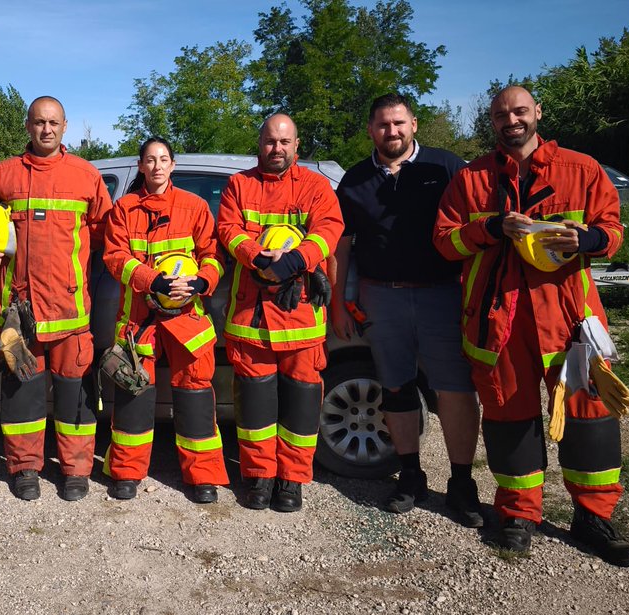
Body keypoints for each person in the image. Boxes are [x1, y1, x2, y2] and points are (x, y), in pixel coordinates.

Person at [434, 86, 629, 566]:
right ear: (492, 121)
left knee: (590, 417)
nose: (512, 120)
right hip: (498, 320)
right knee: (509, 416)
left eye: (520, 111)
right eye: (502, 114)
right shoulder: (471, 179)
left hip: (569, 318)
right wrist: (488, 229)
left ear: (537, 113)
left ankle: (594, 518)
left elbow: (613, 232)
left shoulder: (581, 168)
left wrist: (585, 237)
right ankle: (518, 515)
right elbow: (444, 241)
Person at [332, 94, 483, 527]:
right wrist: (340, 301)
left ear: (414, 124)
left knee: (455, 388)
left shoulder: (446, 167)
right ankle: (411, 475)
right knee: (395, 388)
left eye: (399, 123)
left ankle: (461, 483)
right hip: (383, 296)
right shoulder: (356, 180)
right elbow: (342, 246)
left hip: (443, 294)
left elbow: (475, 230)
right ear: (370, 130)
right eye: (382, 125)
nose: (391, 132)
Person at [0, 96, 112, 502]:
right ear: (28, 126)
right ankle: (24, 469)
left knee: (75, 396)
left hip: (71, 311)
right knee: (20, 392)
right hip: (18, 310)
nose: (46, 129)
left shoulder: (85, 175)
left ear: (65, 127)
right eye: (39, 122)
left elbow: (105, 234)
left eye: (53, 122)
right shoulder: (3, 174)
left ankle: (75, 470)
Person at [217, 113, 344, 513]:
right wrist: (259, 258)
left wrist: (295, 262)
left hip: (302, 318)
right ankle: (259, 477)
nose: (277, 149)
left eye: (284, 143)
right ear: (260, 144)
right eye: (270, 142)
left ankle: (291, 480)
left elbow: (329, 229)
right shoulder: (240, 184)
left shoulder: (316, 186)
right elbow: (228, 230)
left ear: (297, 145)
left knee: (301, 407)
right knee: (254, 409)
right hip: (251, 318)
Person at [100, 137, 228, 503]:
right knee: (133, 393)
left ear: (173, 165)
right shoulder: (124, 208)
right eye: (150, 160)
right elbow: (114, 257)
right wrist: (150, 280)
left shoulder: (195, 206)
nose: (157, 166)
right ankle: (126, 472)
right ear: (141, 166)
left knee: (196, 395)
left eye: (163, 160)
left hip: (188, 318)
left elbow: (213, 255)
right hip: (139, 317)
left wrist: (204, 281)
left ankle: (202, 476)